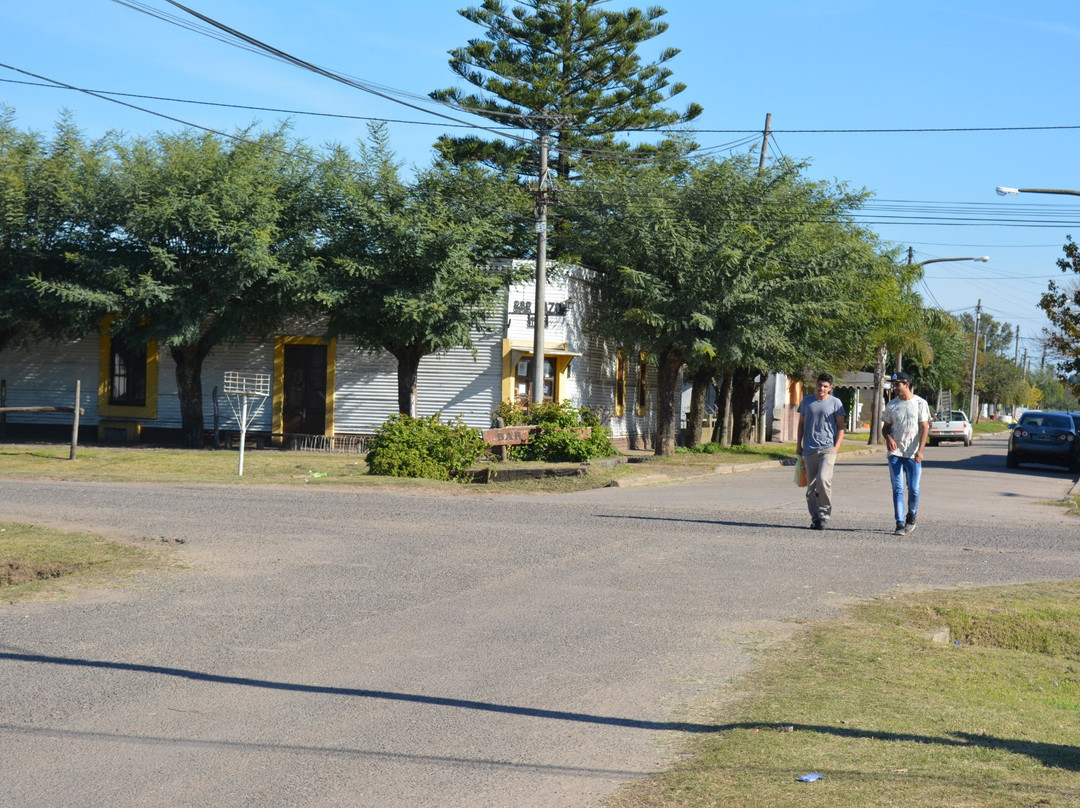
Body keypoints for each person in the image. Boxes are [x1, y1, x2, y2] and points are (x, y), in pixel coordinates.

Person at [881, 371, 931, 535]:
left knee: (914, 489)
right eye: (893, 385)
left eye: (897, 385)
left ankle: (912, 515)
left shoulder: (920, 403)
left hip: (913, 453)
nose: (894, 388)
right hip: (895, 453)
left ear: (906, 384)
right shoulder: (891, 405)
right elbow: (885, 428)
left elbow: (924, 428)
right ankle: (899, 522)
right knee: (898, 489)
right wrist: (888, 438)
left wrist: (920, 451)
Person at [796, 373, 846, 530]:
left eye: (825, 386)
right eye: (819, 385)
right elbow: (801, 424)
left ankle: (824, 515)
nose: (821, 388)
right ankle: (815, 517)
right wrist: (799, 444)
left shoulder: (836, 403)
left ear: (830, 388)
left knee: (823, 480)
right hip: (809, 449)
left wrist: (836, 447)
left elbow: (841, 427)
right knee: (811, 486)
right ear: (815, 385)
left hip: (827, 448)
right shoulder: (807, 401)